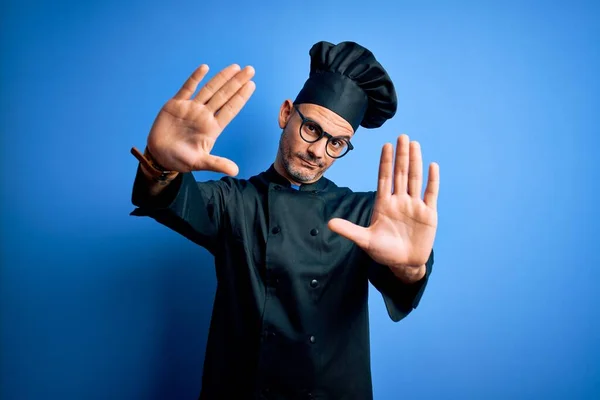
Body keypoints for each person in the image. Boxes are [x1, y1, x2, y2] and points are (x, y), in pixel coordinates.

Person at [129, 41, 439, 400]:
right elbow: (171, 198)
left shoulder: (366, 215)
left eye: (337, 143)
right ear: (286, 113)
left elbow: (402, 276)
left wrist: (412, 269)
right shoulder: (235, 201)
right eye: (312, 129)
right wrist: (161, 165)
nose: (318, 152)